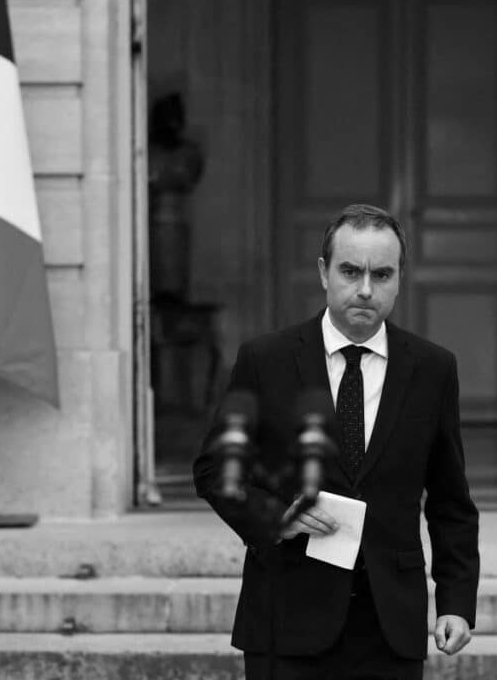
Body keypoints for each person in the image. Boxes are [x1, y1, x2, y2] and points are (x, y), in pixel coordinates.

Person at [193, 204, 480, 679]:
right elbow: (214, 469)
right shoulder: (266, 360)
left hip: (390, 626)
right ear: (324, 272)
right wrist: (272, 516)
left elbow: (451, 502)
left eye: (381, 274)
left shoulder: (433, 369)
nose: (365, 289)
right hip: (285, 617)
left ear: (399, 279)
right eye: (350, 271)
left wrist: (455, 602)